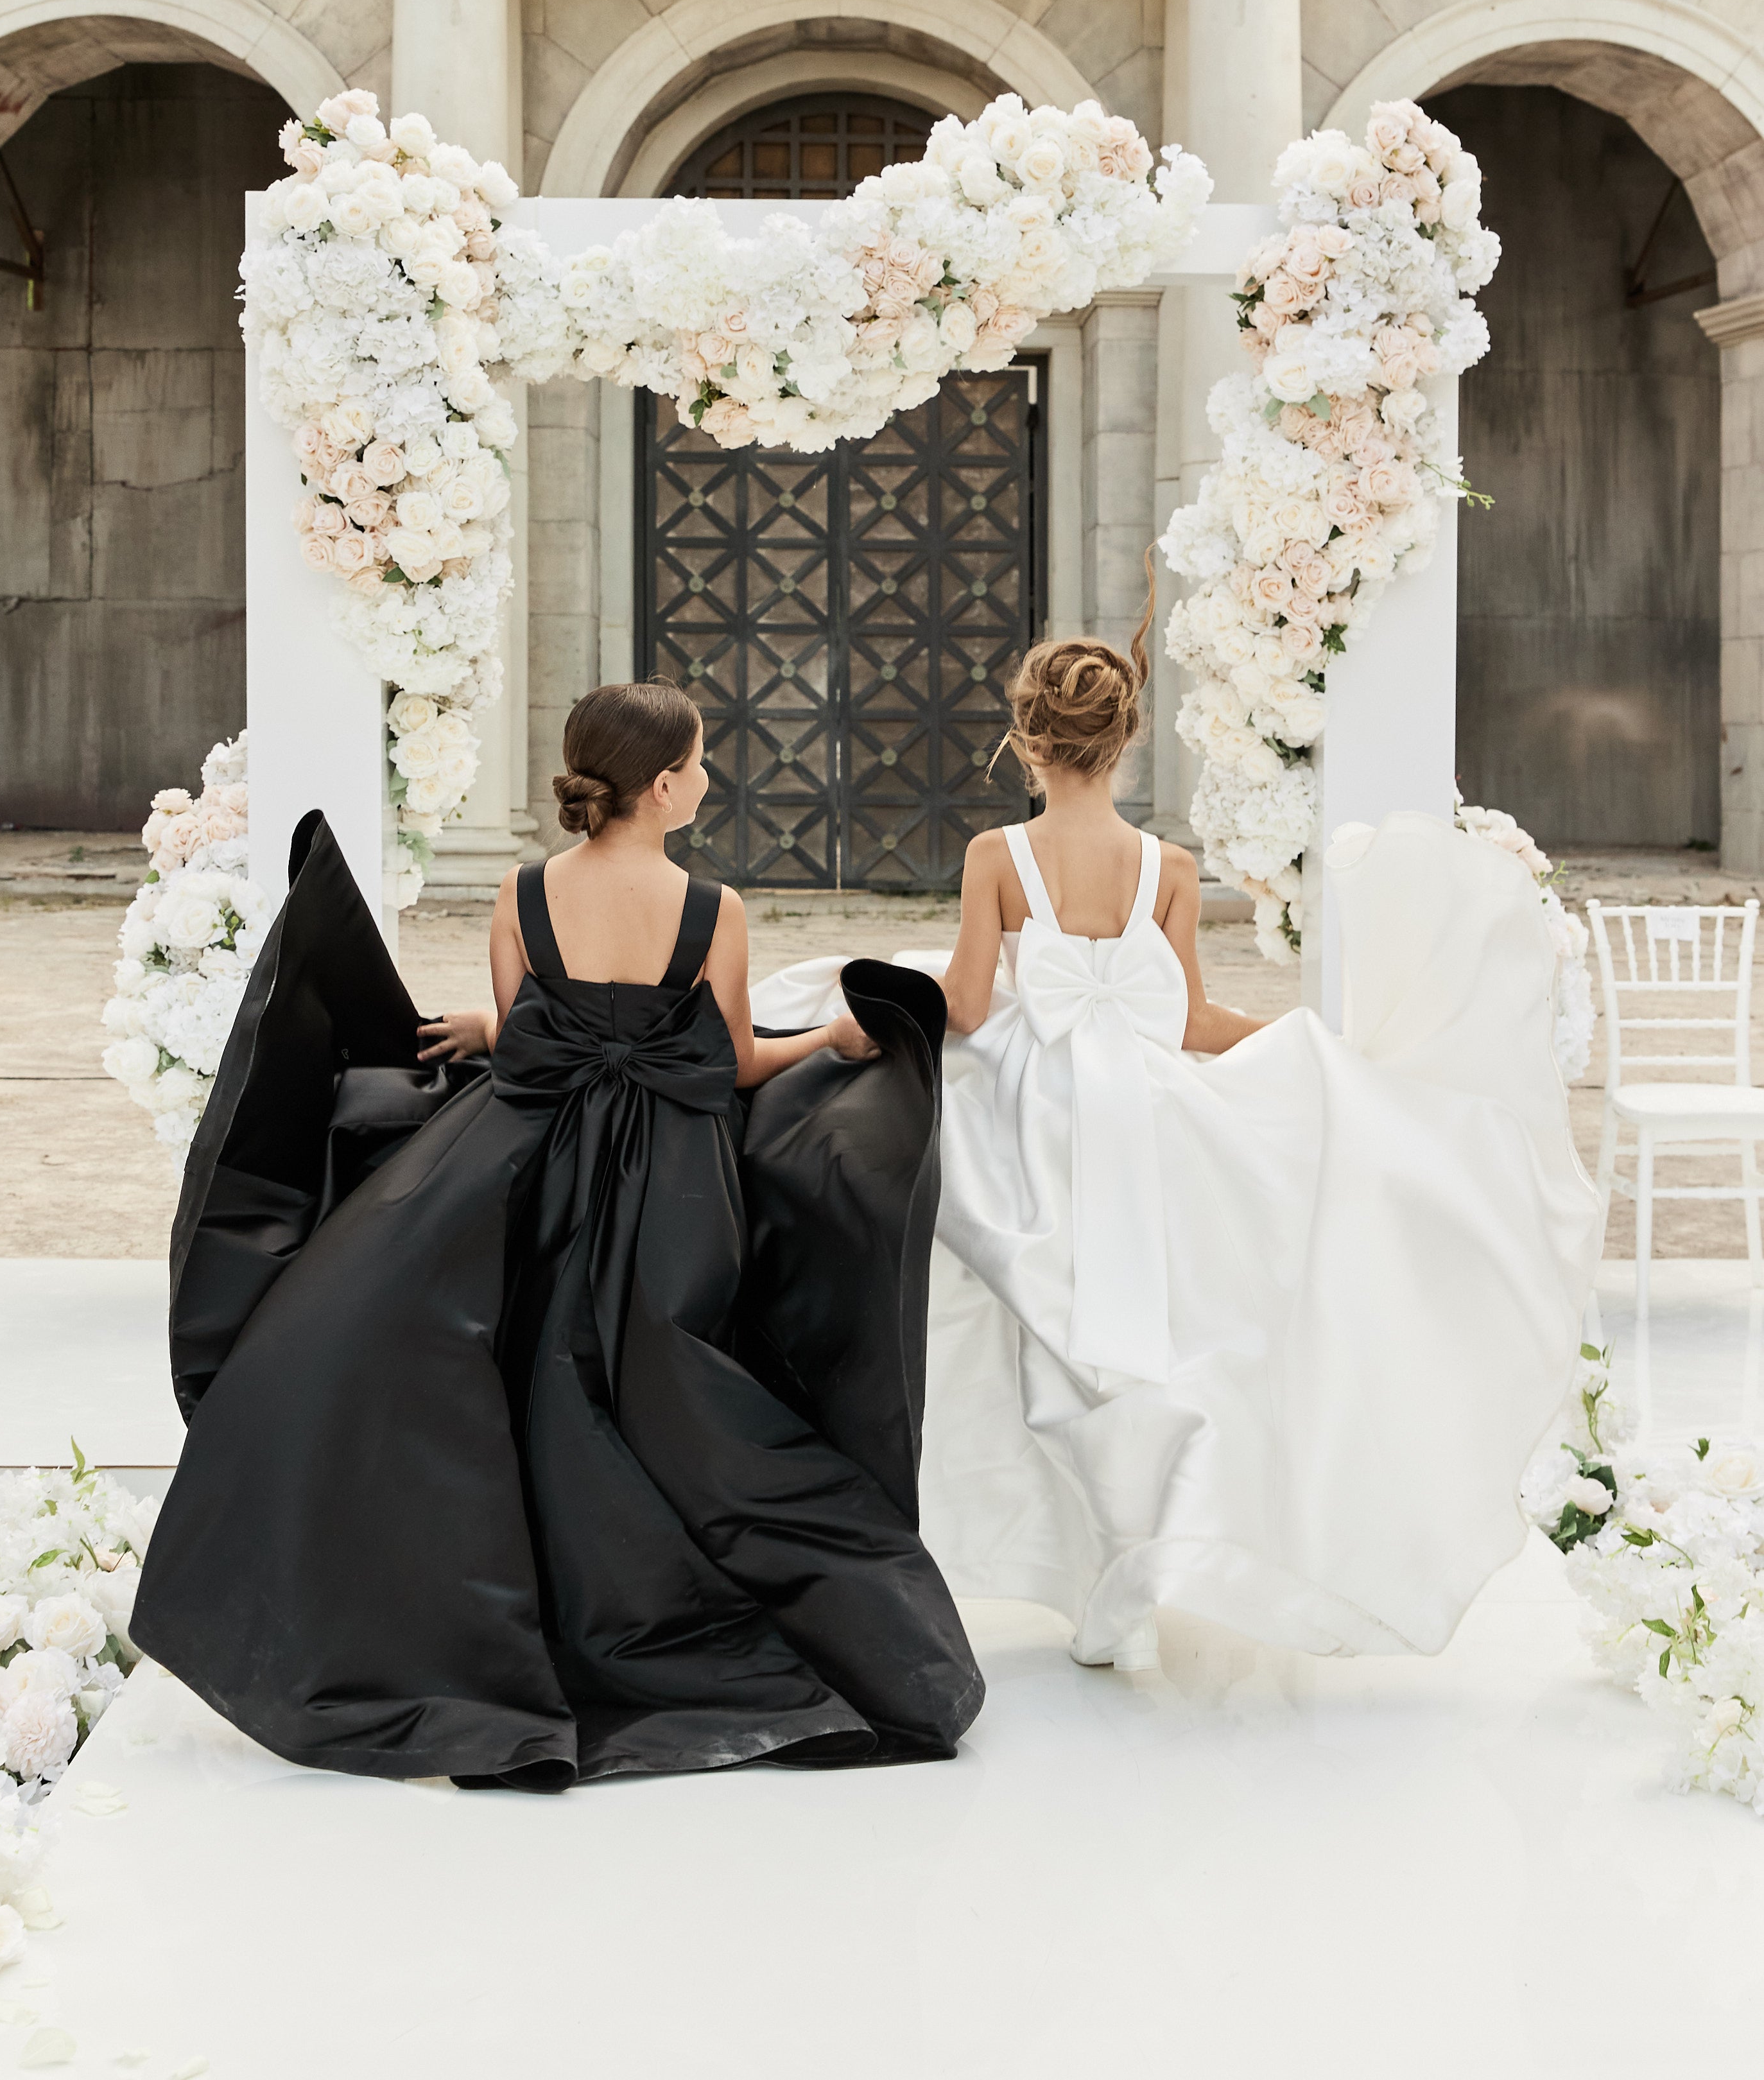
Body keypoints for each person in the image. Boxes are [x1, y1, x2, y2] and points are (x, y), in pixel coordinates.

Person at [132, 681, 983, 1788]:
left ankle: (486, 1619)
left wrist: (499, 1021)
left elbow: (537, 1039)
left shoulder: (523, 889)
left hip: (520, 1160)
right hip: (672, 1184)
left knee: (473, 1350)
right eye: (702, 763)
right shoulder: (709, 906)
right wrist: (829, 1033)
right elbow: (725, 1068)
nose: (710, 779)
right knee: (672, 1387)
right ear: (664, 784)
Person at [752, 589, 1600, 1670]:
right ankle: (1130, 1560)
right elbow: (1193, 1018)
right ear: (1126, 740)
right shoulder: (1170, 868)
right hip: (1145, 1111)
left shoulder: (996, 856)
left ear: (1025, 737)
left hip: (1031, 1111)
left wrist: (876, 1020)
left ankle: (1078, 1556)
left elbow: (965, 1005)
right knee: (1155, 1335)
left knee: (1042, 1327)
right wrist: (1310, 1046)